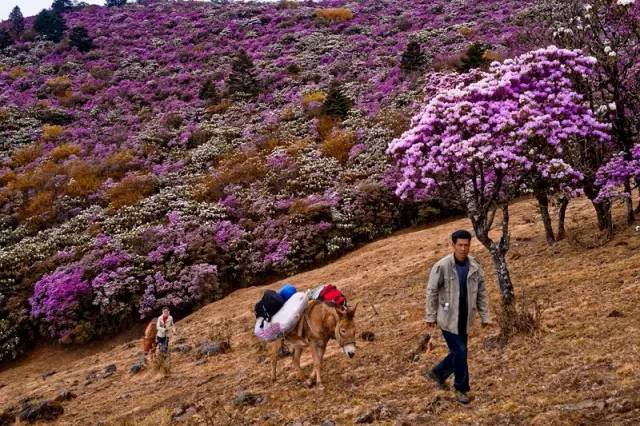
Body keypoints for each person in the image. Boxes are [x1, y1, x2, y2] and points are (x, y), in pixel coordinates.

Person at [425, 229, 490, 405]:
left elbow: (481, 292)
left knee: (458, 352)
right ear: (453, 245)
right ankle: (462, 388)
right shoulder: (442, 266)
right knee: (461, 352)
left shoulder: (474, 266)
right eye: (460, 245)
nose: (463, 248)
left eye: (466, 245)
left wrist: (485, 316)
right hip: (447, 318)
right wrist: (430, 316)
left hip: (465, 318)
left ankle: (438, 373)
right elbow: (431, 292)